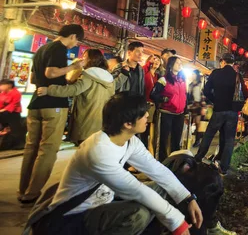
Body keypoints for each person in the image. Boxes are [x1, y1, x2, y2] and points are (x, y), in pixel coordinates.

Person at [24, 93, 202, 235]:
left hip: (105, 200)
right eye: (143, 113)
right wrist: (177, 222)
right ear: (127, 123)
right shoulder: (98, 151)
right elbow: (135, 189)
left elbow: (157, 170)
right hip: (74, 217)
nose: (148, 115)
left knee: (165, 188)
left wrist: (187, 199)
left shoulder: (129, 141)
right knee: (138, 215)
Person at [19, 24, 85, 205]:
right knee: (48, 149)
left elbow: (33, 78)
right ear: (72, 36)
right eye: (77, 40)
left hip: (36, 103)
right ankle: (32, 193)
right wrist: (73, 66)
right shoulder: (59, 48)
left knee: (31, 147)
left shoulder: (42, 49)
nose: (76, 43)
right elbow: (51, 72)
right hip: (53, 104)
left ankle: (23, 189)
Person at [37, 49, 115, 145]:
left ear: (92, 59)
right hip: (101, 121)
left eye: (85, 57)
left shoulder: (89, 75)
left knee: (85, 150)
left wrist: (49, 90)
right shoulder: (109, 78)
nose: (82, 59)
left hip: (87, 119)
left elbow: (74, 90)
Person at [195, 54, 248, 175]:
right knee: (229, 139)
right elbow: (245, 94)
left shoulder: (216, 73)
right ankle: (223, 168)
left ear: (222, 62)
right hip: (233, 111)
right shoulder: (237, 76)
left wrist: (215, 100)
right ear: (233, 63)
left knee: (209, 135)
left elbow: (206, 90)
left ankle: (198, 158)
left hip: (219, 109)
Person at [152, 57, 188, 162]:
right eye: (177, 63)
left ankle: (174, 162)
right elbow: (153, 94)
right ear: (171, 65)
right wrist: (164, 99)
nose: (180, 65)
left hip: (179, 114)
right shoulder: (163, 80)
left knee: (176, 140)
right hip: (166, 113)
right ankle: (162, 162)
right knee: (163, 139)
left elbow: (185, 95)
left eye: (181, 63)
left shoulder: (182, 80)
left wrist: (186, 108)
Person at [143, 54, 162, 148]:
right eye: (155, 59)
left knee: (151, 130)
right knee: (144, 130)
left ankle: (149, 148)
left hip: (154, 106)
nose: (157, 61)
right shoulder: (145, 72)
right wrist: (148, 63)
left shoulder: (157, 76)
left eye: (159, 60)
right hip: (145, 105)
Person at [188, 69, 204, 147]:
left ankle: (197, 141)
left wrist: (203, 107)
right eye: (192, 74)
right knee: (189, 123)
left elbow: (202, 95)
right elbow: (189, 95)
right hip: (191, 106)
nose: (192, 76)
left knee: (198, 124)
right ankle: (188, 139)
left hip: (198, 106)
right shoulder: (190, 84)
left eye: (194, 74)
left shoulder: (200, 84)